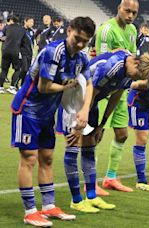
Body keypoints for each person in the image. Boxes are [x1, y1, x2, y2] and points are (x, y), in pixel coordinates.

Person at [11, 16, 96, 227]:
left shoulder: (82, 57)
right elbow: (44, 87)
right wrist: (70, 86)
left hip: (47, 114)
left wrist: (84, 109)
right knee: (29, 158)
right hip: (27, 109)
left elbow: (90, 83)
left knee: (47, 158)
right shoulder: (53, 52)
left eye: (85, 41)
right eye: (77, 38)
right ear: (69, 30)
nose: (80, 44)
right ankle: (30, 211)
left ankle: (48, 206)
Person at [59, 51, 149, 212]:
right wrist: (79, 124)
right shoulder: (112, 66)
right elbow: (91, 92)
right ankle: (76, 201)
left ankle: (92, 197)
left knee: (90, 144)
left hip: (90, 103)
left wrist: (101, 124)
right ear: (136, 64)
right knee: (73, 143)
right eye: (138, 76)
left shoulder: (130, 71)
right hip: (73, 100)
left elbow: (116, 94)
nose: (136, 80)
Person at [95, 0, 139, 194]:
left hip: (121, 89)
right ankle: (91, 182)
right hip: (103, 89)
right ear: (119, 9)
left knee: (122, 134)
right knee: (94, 136)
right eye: (127, 11)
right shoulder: (106, 30)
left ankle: (110, 177)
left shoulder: (132, 31)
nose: (130, 15)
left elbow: (131, 58)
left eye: (134, 13)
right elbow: (102, 62)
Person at [0, 15, 25, 94]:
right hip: (15, 51)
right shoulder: (22, 29)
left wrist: (6, 39)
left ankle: (0, 87)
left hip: (5, 50)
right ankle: (12, 87)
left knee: (4, 69)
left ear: (11, 20)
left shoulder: (7, 27)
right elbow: (23, 42)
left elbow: (1, 36)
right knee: (17, 69)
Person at [17, 16, 35, 88]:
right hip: (23, 53)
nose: (32, 23)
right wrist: (18, 52)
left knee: (27, 71)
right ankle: (15, 83)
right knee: (23, 69)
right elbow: (18, 42)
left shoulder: (31, 31)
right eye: (30, 22)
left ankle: (22, 85)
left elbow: (32, 43)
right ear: (25, 21)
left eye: (32, 22)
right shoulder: (21, 30)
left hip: (29, 53)